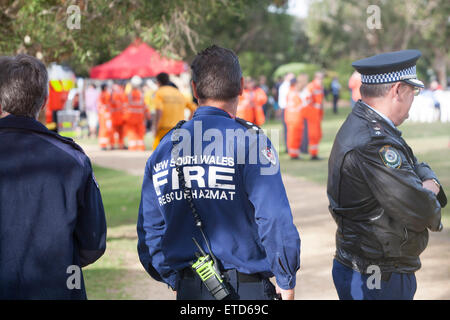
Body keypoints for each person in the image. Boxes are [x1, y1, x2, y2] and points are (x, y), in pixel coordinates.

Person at [137, 45, 300, 300]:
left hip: (190, 289)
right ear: (241, 86)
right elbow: (274, 217)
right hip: (246, 289)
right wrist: (285, 278)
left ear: (193, 89)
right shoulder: (252, 142)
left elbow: (151, 230)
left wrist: (174, 278)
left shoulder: (164, 148)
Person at [327, 50, 447, 300]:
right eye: (412, 92)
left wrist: (428, 179)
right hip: (377, 274)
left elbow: (413, 164)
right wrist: (430, 187)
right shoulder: (374, 141)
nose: (413, 99)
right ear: (397, 90)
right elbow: (421, 208)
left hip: (372, 267)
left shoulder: (370, 126)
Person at [0, 54, 107, 299]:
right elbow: (93, 244)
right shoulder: (72, 159)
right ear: (45, 102)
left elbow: (93, 245)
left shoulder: (73, 159)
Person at [152, 72, 197, 150]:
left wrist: (155, 127)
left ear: (158, 82)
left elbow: (159, 111)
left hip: (163, 129)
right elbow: (194, 108)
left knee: (157, 156)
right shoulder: (178, 93)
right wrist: (189, 122)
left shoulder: (159, 92)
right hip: (178, 129)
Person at [284, 74, 308, 159]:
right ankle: (293, 154)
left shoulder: (291, 92)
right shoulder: (293, 93)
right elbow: (300, 105)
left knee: (295, 136)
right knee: (294, 136)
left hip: (293, 118)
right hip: (294, 118)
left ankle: (295, 153)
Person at [303, 72, 325, 160]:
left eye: (321, 78)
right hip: (312, 113)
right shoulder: (311, 86)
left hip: (317, 113)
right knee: (313, 134)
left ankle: (315, 153)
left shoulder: (319, 87)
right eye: (319, 78)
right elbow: (306, 99)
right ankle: (313, 154)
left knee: (318, 134)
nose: (321, 80)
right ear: (315, 77)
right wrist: (313, 105)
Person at [124, 76, 148, 151]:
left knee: (131, 133)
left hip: (131, 118)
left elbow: (125, 106)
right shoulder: (141, 95)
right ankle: (141, 147)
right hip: (140, 118)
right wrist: (147, 115)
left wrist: (124, 117)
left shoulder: (129, 95)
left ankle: (133, 147)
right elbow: (144, 106)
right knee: (140, 133)